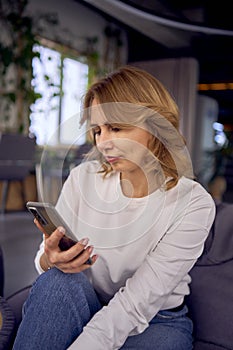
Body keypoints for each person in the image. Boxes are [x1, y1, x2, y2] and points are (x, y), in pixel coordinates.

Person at [13, 65, 216, 350]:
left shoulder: (193, 203)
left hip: (155, 319)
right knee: (57, 281)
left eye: (117, 128)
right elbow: (45, 264)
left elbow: (135, 304)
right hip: (86, 299)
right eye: (98, 130)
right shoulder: (83, 178)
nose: (103, 143)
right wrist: (50, 259)